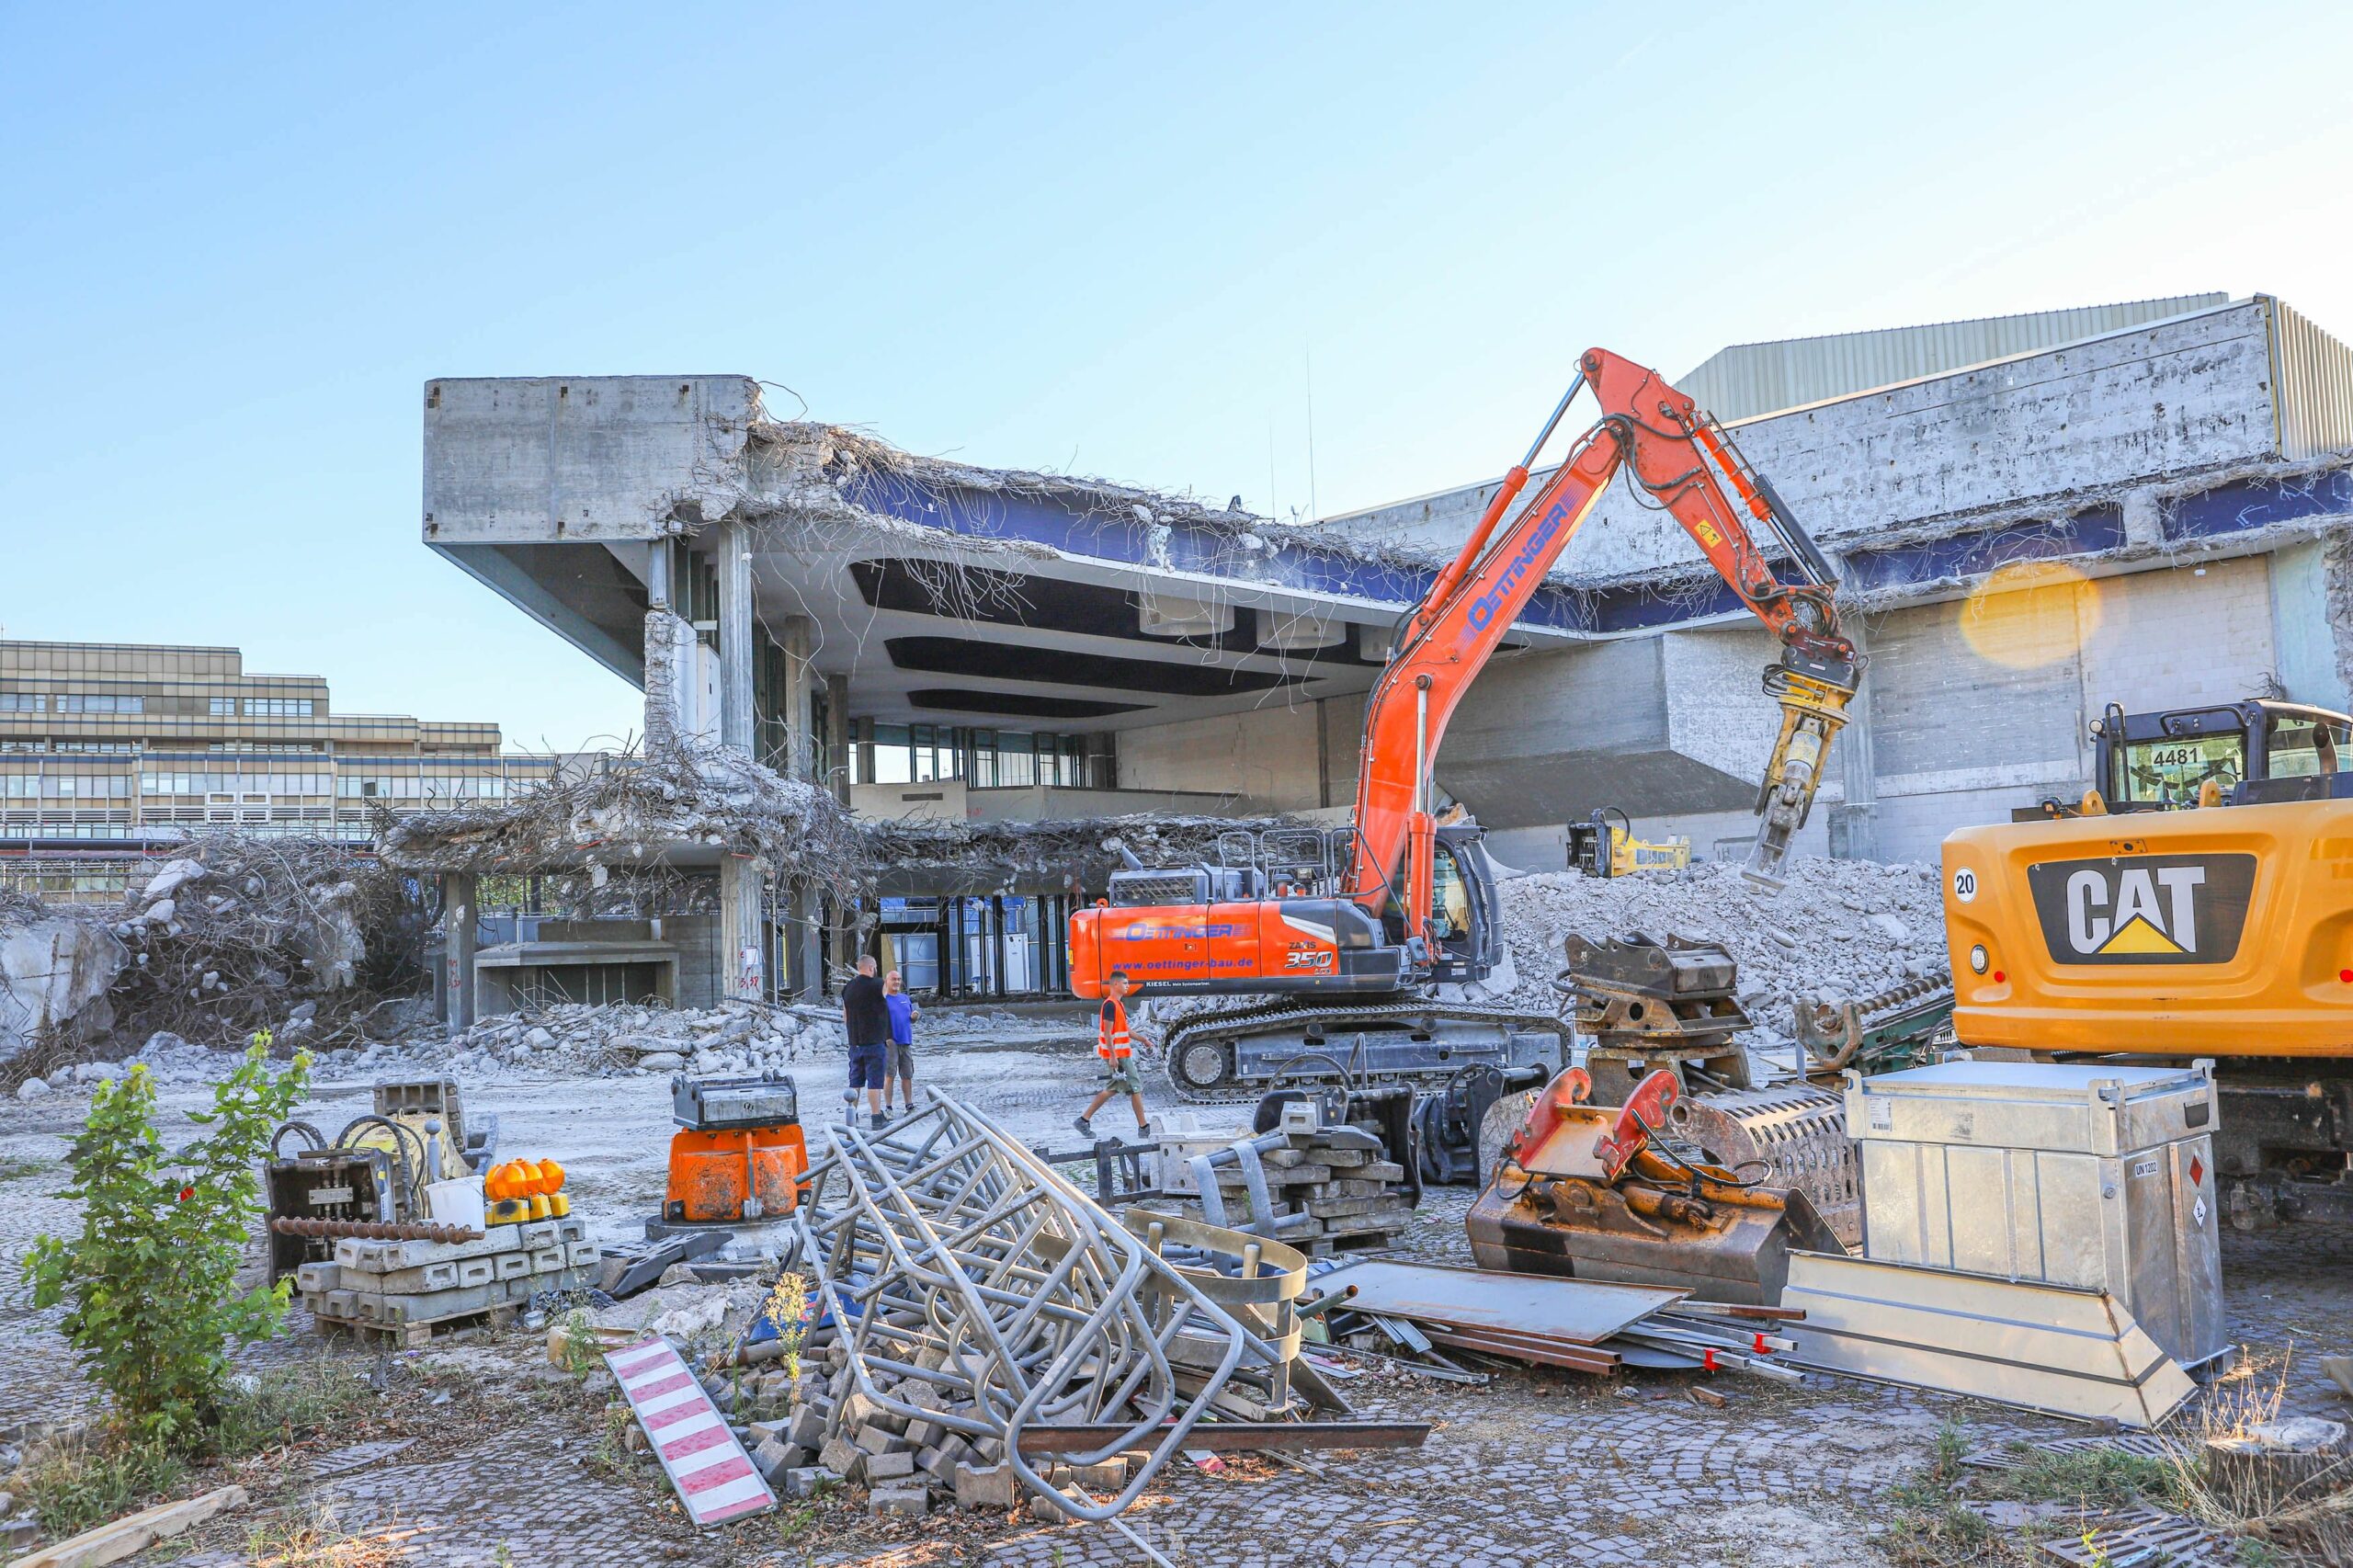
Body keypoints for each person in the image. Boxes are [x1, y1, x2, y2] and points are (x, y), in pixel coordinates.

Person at [1074, 970, 1148, 1142]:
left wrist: (1143, 1039)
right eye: (1125, 983)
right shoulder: (1110, 1005)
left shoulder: (1118, 1005)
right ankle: (1144, 1127)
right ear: (1115, 984)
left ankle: (1083, 1120)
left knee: (1112, 1089)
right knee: (1135, 1087)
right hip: (1118, 1055)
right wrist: (1113, 1057)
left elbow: (1124, 1030)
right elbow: (1107, 1033)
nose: (1128, 986)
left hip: (1120, 1054)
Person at [839, 955, 892, 1131]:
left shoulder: (847, 988)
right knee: (874, 1082)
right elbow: (890, 990)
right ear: (871, 967)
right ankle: (876, 1117)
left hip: (855, 1043)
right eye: (875, 967)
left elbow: (845, 1016)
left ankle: (852, 1116)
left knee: (855, 1081)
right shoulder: (878, 985)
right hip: (874, 1041)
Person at [882, 968, 921, 1115]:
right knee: (889, 1075)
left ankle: (909, 1105)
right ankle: (888, 1107)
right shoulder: (883, 1000)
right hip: (890, 1043)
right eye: (894, 979)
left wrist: (914, 1016)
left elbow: (910, 1019)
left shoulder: (905, 998)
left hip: (905, 1042)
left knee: (907, 1075)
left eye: (899, 979)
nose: (897, 982)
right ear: (887, 981)